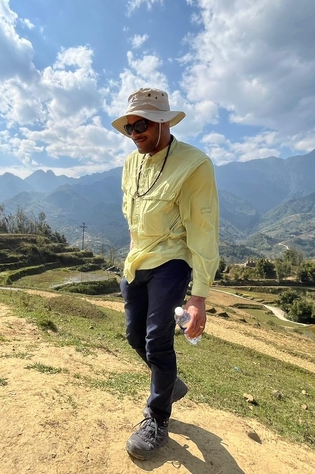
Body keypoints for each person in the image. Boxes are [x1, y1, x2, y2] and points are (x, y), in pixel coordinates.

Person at [112, 87, 220, 460]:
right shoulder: (131, 163)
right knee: (132, 335)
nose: (135, 133)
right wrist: (130, 253)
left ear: (163, 122)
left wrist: (200, 296)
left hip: (173, 260)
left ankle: (157, 417)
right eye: (129, 127)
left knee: (157, 339)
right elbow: (132, 216)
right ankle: (169, 383)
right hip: (137, 260)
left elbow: (203, 229)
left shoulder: (194, 165)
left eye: (141, 124)